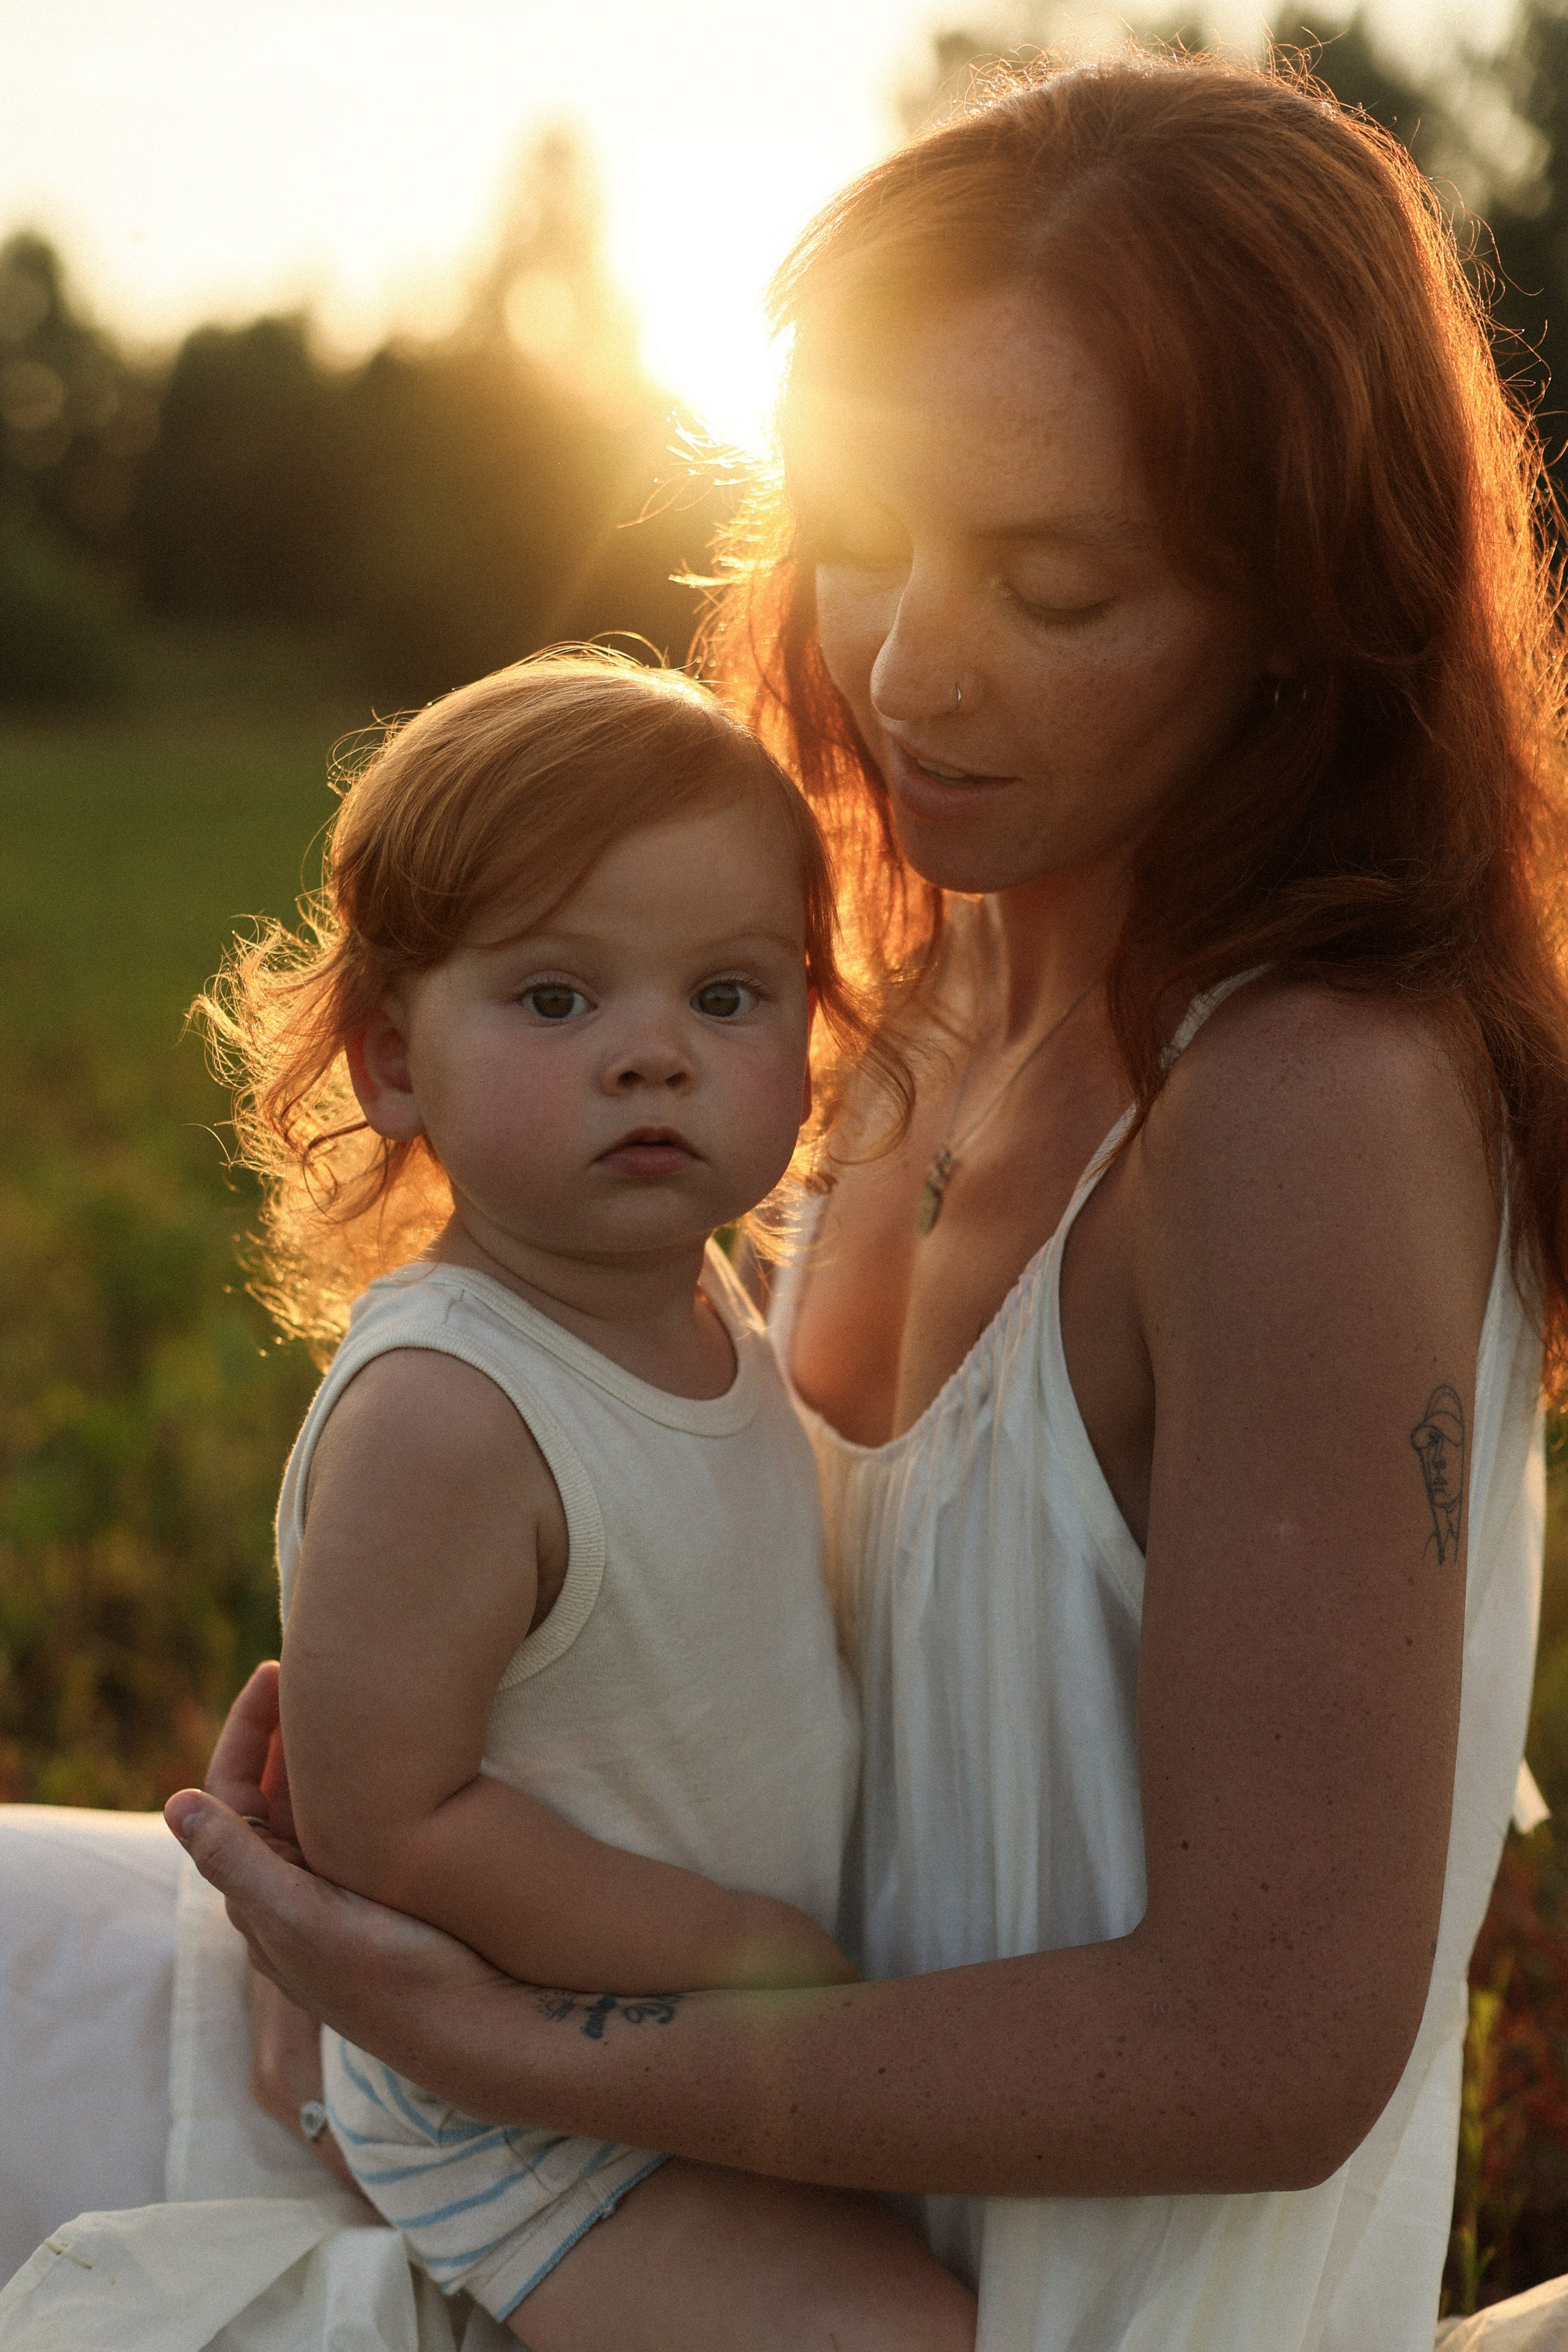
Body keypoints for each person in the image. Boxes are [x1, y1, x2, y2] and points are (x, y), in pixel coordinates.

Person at [170, 49, 1568, 2352]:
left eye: (1058, 583)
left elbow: (1271, 2046)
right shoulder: (894, 990)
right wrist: (409, 1765)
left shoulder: (1305, 1104)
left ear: (1307, 609)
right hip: (652, 2187)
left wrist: (470, 2035)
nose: (910, 666)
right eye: (866, 530)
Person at [190, 651, 976, 2349]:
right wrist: (734, 1948)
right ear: (395, 1062)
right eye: (558, 1001)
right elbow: (390, 1818)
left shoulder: (698, 1305)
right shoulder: (451, 1413)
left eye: (729, 996)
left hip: (689, 2043)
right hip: (536, 2115)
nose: (654, 1058)